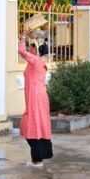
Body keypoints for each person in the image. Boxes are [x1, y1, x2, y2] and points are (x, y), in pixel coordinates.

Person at [18, 37, 53, 167]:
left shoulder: (35, 60)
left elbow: (21, 51)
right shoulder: (38, 61)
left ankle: (37, 159)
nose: (29, 49)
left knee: (30, 124)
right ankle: (39, 158)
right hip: (39, 95)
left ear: (36, 49)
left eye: (31, 47)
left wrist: (23, 36)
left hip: (35, 96)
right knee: (37, 124)